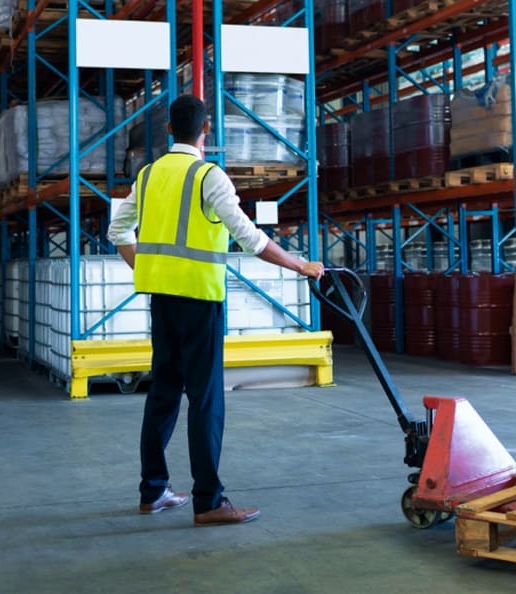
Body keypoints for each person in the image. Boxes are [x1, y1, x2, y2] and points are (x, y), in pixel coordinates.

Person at [108, 95, 324, 527]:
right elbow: (249, 237)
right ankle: (208, 501)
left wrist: (148, 268)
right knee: (205, 399)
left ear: (169, 129)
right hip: (200, 303)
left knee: (163, 394)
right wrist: (301, 265)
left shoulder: (148, 175)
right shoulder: (209, 176)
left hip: (161, 301)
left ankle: (153, 492)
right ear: (205, 132)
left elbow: (118, 229)